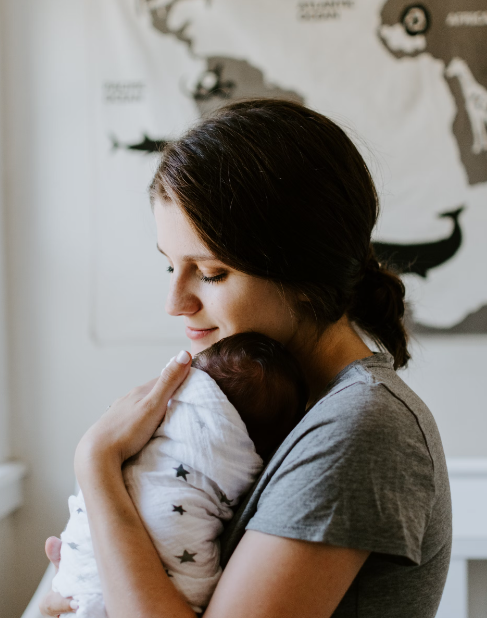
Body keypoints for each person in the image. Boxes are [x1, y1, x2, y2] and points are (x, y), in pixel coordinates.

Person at [40, 98, 452, 618]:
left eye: (210, 273)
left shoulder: (360, 429)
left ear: (303, 275)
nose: (176, 304)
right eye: (171, 267)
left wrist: (96, 465)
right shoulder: (282, 417)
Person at [50, 332, 308, 617]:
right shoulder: (245, 462)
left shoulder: (118, 447)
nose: (174, 305)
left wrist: (95, 457)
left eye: (213, 282)